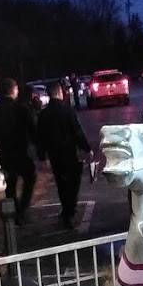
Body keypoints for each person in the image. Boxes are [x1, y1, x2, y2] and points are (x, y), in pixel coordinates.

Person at [36, 79, 91, 228]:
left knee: (61, 183)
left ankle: (66, 209)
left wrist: (42, 156)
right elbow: (77, 132)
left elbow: (40, 137)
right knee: (73, 183)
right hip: (69, 153)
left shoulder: (44, 114)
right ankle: (69, 211)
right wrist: (87, 149)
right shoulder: (67, 111)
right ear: (59, 92)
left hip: (54, 155)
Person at [0, 76, 37, 223]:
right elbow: (32, 129)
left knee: (11, 184)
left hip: (5, 154)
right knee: (30, 178)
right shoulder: (21, 108)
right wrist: (39, 148)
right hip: (22, 152)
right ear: (13, 90)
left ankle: (13, 212)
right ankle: (22, 209)